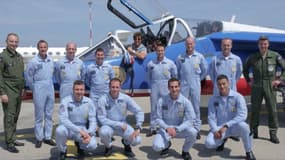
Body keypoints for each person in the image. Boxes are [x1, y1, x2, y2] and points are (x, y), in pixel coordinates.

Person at [243, 36, 285, 144]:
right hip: (256, 85)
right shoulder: (253, 57)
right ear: (258, 45)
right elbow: (245, 69)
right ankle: (253, 130)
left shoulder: (275, 56)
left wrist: (279, 80)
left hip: (270, 85)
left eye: (265, 44)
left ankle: (273, 133)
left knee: (272, 109)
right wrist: (248, 80)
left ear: (268, 44)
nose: (263, 46)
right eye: (261, 44)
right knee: (255, 109)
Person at [205, 74, 256, 160]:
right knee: (209, 143)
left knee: (244, 127)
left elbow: (243, 115)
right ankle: (222, 140)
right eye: (219, 84)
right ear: (217, 85)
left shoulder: (238, 97)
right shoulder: (213, 99)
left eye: (224, 83)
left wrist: (227, 125)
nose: (222, 86)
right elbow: (211, 117)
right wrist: (214, 130)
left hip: (234, 126)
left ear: (228, 83)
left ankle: (248, 151)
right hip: (220, 128)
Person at [97, 78, 144, 158]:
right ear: (109, 87)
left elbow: (139, 111)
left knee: (137, 140)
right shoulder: (103, 99)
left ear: (120, 87)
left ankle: (126, 143)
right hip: (109, 126)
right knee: (103, 132)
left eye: (117, 87)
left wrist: (138, 127)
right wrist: (118, 124)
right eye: (113, 87)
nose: (115, 89)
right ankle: (108, 146)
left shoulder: (125, 98)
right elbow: (102, 119)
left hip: (123, 127)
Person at [152, 78, 197, 160]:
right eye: (171, 87)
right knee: (156, 146)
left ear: (179, 87)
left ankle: (185, 151)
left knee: (193, 132)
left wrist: (178, 129)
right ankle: (167, 145)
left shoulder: (185, 102)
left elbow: (191, 119)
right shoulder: (162, 101)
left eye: (176, 86)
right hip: (166, 130)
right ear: (168, 88)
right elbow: (158, 118)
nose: (174, 89)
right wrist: (167, 128)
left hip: (180, 129)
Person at [55, 80, 97, 160]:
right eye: (77, 89)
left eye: (81, 89)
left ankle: (80, 146)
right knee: (59, 130)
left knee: (93, 145)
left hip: (82, 129)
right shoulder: (66, 101)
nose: (79, 92)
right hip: (68, 129)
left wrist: (89, 133)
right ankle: (63, 151)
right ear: (73, 90)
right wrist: (79, 130)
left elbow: (92, 120)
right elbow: (64, 120)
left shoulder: (89, 102)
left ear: (84, 91)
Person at [175, 37, 208, 139]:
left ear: (194, 44)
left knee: (195, 107)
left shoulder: (199, 57)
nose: (189, 46)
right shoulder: (180, 57)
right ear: (185, 45)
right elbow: (177, 71)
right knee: (182, 106)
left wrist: (198, 79)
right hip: (184, 84)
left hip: (195, 84)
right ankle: (182, 127)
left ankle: (196, 129)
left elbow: (205, 70)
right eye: (187, 44)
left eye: (191, 44)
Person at [25, 40, 56, 148]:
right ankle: (39, 138)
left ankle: (47, 137)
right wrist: (34, 88)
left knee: (49, 114)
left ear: (47, 48)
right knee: (39, 115)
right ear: (38, 48)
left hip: (49, 87)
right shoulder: (34, 61)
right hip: (39, 87)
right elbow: (28, 77)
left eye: (45, 47)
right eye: (41, 47)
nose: (43, 49)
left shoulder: (50, 60)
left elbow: (53, 73)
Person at [0, 33, 25, 153]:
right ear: (7, 42)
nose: (14, 44)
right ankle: (9, 142)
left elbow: (21, 75)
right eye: (11, 41)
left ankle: (13, 138)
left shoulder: (19, 57)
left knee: (15, 116)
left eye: (16, 42)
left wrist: (23, 88)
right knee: (9, 117)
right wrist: (2, 93)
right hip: (8, 90)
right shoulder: (3, 57)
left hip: (18, 91)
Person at [146, 43, 177, 137]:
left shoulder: (170, 63)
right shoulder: (151, 64)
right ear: (156, 51)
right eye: (158, 51)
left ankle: (167, 127)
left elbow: (175, 76)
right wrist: (150, 87)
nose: (160, 52)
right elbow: (148, 77)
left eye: (162, 51)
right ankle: (153, 128)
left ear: (164, 51)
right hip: (155, 86)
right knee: (154, 107)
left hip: (166, 86)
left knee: (166, 107)